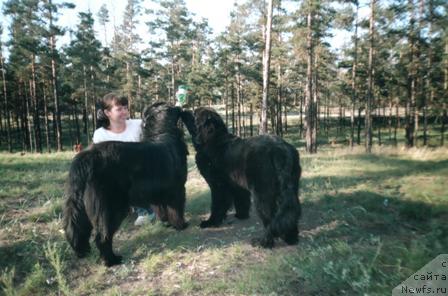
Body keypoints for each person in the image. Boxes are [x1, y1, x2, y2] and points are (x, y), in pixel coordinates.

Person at [93, 92, 156, 226]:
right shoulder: (100, 135)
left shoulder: (138, 125)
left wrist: (179, 102)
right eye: (119, 109)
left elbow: (159, 123)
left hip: (141, 173)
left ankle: (146, 211)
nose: (124, 112)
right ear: (107, 112)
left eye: (126, 108)